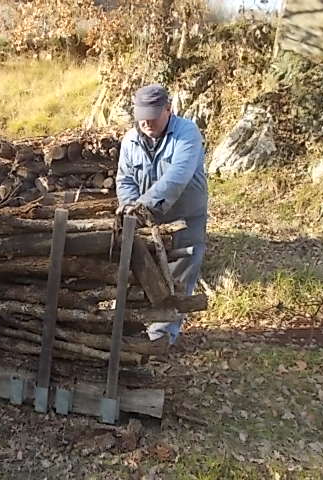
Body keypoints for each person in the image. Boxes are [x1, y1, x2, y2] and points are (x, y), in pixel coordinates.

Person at [116, 84, 208, 344]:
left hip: (185, 219)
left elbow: (177, 176)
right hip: (148, 221)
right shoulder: (130, 141)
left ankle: (161, 338)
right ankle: (135, 329)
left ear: (168, 109)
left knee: (178, 276)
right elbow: (125, 179)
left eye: (153, 116)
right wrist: (130, 209)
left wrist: (142, 206)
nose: (146, 122)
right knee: (142, 274)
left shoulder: (187, 133)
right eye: (142, 116)